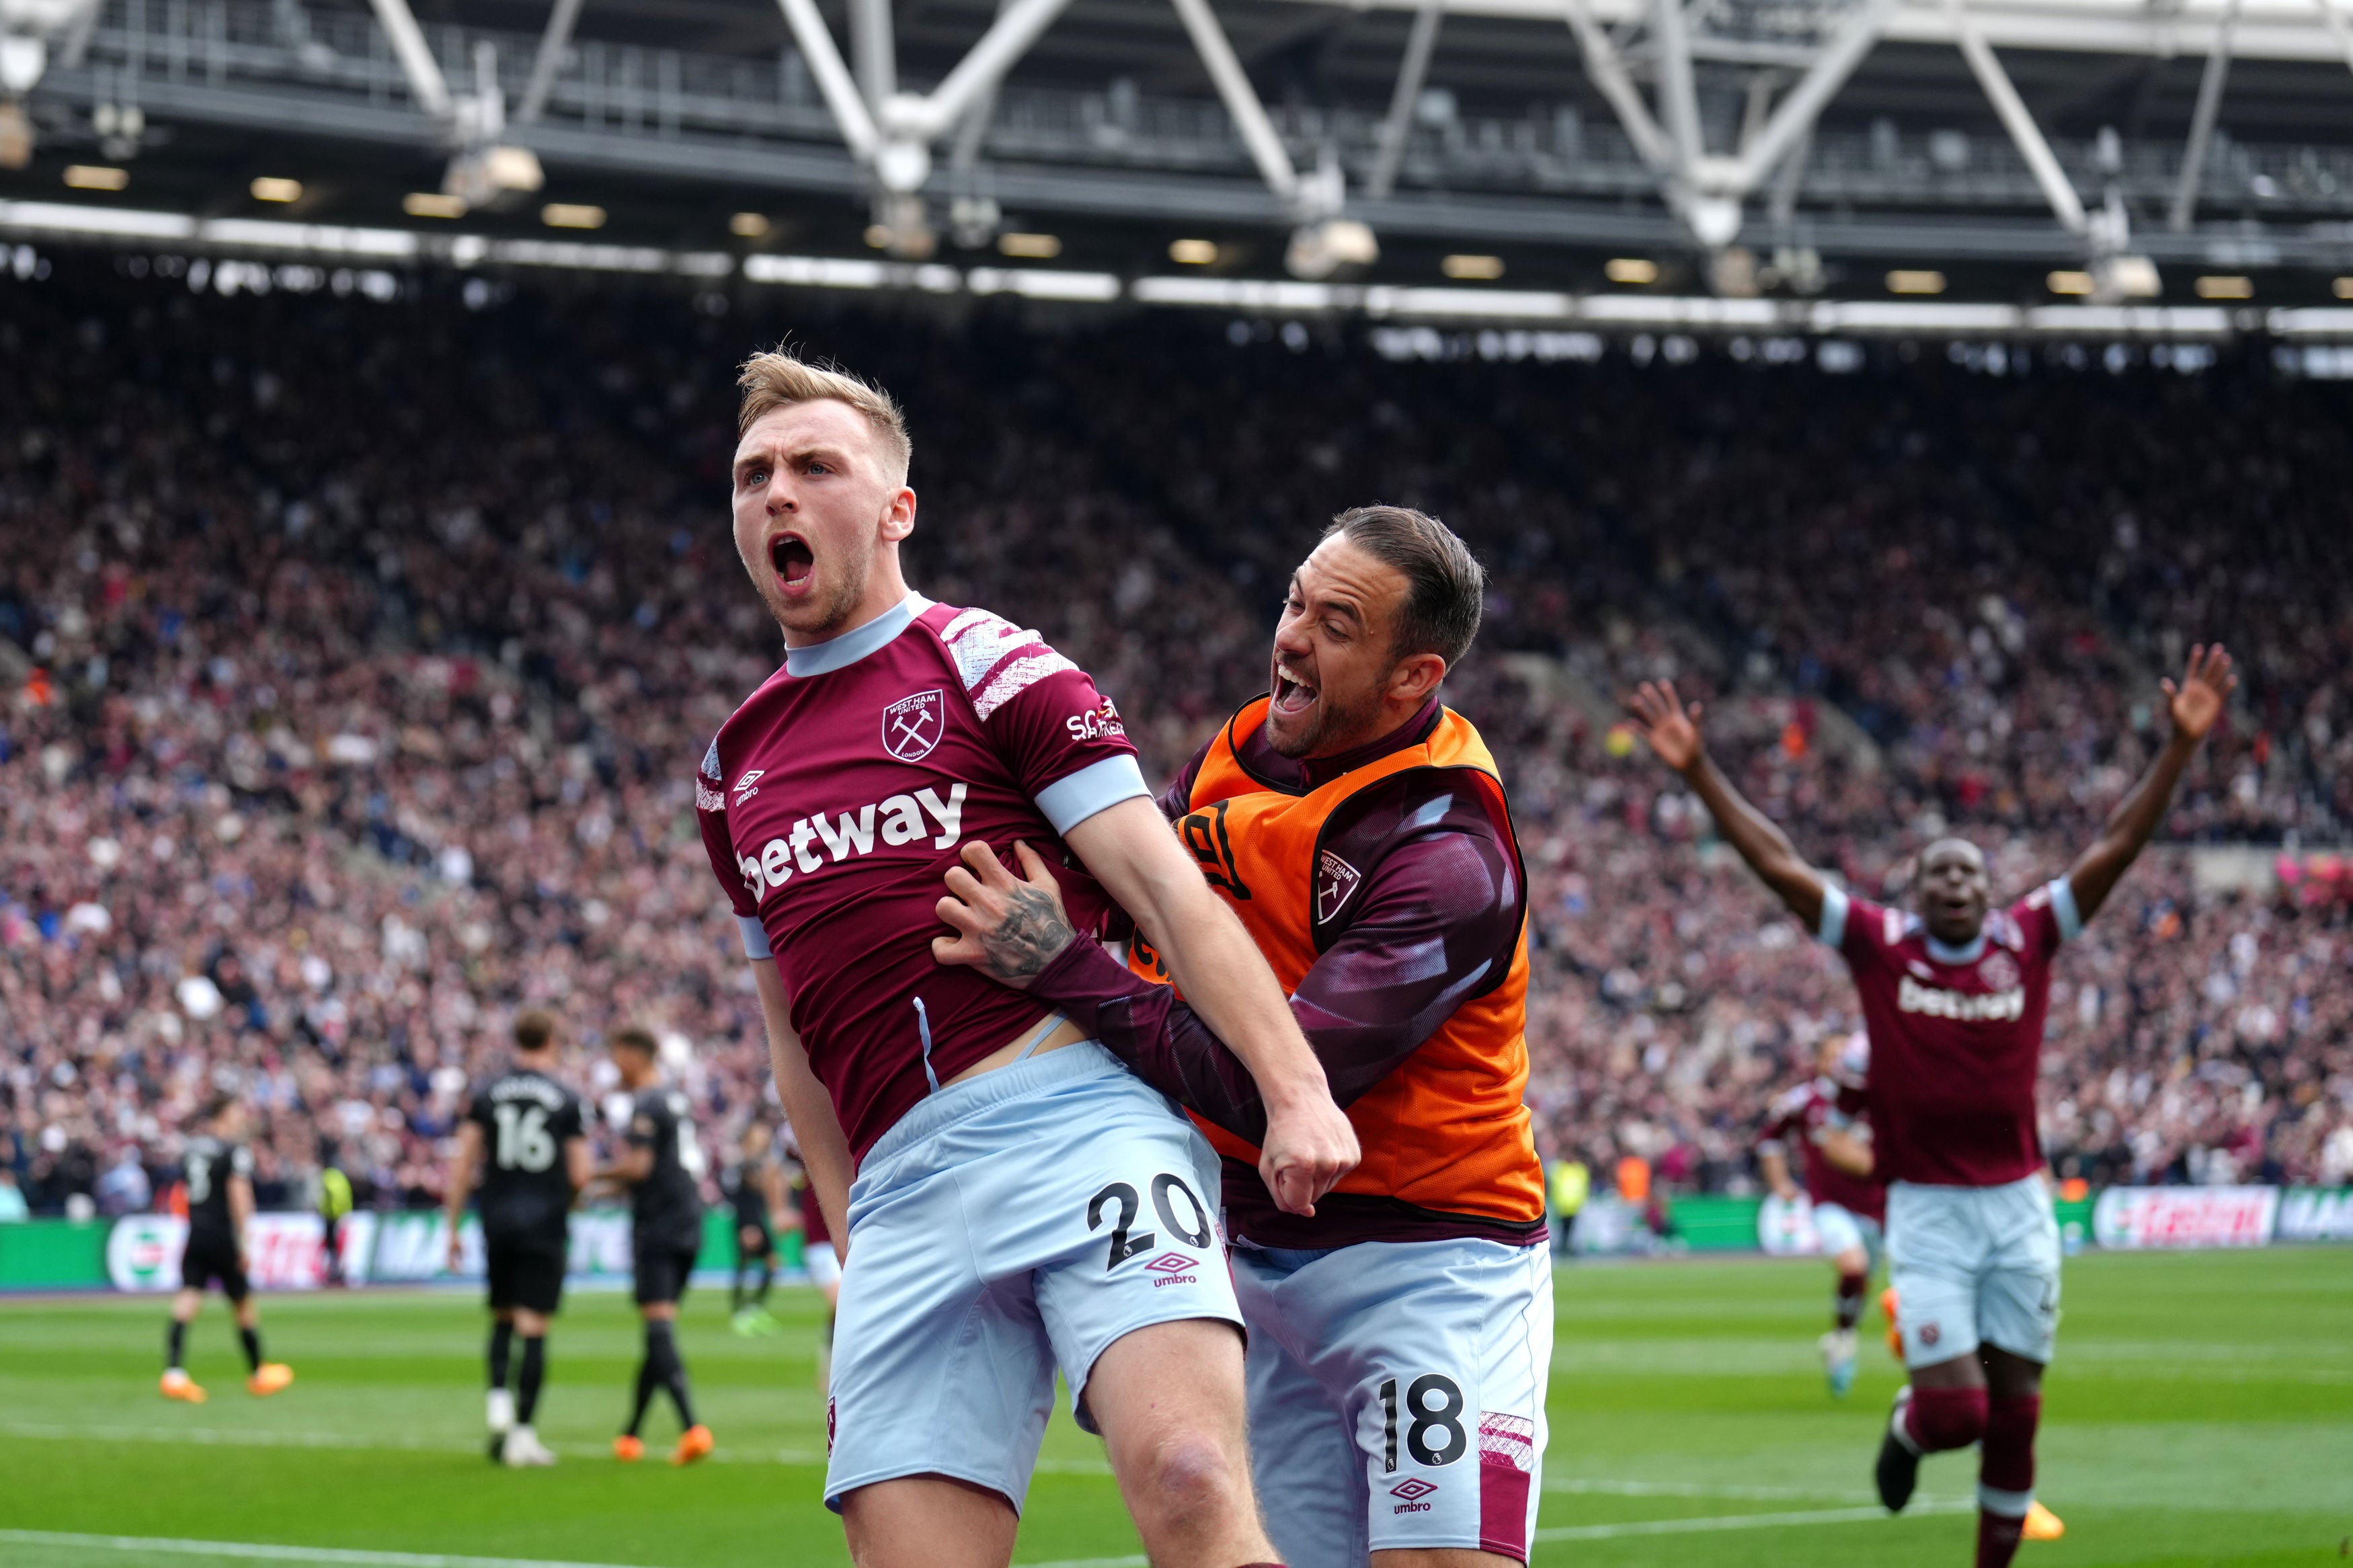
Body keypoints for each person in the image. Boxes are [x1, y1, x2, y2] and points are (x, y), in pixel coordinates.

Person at [695, 349, 1357, 1568]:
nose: (776, 494)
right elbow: (791, 1031)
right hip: (900, 1190)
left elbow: (1167, 885)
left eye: (814, 467)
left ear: (896, 508)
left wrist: (1296, 1088)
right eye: (753, 476)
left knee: (1194, 1477)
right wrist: (856, 1235)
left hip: (1075, 1123)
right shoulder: (731, 767)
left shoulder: (993, 664)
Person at [935, 507, 1552, 1567]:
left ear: (1415, 677)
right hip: (1252, 1263)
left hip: (1428, 1266)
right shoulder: (1247, 742)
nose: (1292, 636)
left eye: (1338, 624)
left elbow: (1274, 1085)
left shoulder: (1449, 853)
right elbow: (1146, 904)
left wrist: (1062, 963)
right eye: (1295, 600)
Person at [1626, 643, 2236, 1568]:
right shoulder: (1882, 946)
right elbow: (1783, 866)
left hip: (2019, 1204)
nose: (1956, 883)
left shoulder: (2027, 938)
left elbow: (2114, 846)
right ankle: (1911, 1427)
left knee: (2020, 1403)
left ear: (1990, 892)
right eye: (1938, 874)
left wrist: (2179, 750)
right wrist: (1701, 770)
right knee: (1960, 1409)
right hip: (1929, 1211)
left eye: (1970, 873)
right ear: (1914, 893)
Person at [444, 1009, 592, 1466]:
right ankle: (524, 1433)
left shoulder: (487, 1093)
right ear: (551, 1039)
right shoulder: (566, 1097)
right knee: (534, 1327)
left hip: (498, 1217)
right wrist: (566, 1201)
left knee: (502, 1315)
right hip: (544, 1220)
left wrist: (451, 1226)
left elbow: (463, 1161)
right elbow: (581, 1172)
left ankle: (497, 1401)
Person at [598, 1027, 713, 1466]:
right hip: (688, 1216)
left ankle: (692, 1428)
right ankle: (630, 1434)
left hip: (659, 1222)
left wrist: (588, 1176)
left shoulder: (645, 1103)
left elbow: (638, 1166)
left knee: (658, 1326)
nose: (614, 1065)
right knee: (658, 1328)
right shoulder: (673, 1098)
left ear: (632, 1054)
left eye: (616, 1055)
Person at [1757, 1031, 1884, 1396]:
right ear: (1819, 1061)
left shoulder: (1875, 1096)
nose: (1838, 1063)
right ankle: (1846, 1342)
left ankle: (1842, 1337)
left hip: (1878, 1207)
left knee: (1862, 1283)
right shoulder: (1804, 1100)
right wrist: (1780, 1181)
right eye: (1831, 1056)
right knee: (1853, 1267)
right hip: (1830, 1204)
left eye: (1844, 1055)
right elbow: (1769, 1138)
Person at [160, 1095, 294, 1403]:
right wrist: (245, 1241)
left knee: (187, 1300)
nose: (242, 1117)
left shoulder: (192, 1149)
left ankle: (174, 1374)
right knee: (243, 1305)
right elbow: (239, 1195)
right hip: (223, 1235)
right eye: (237, 1111)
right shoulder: (234, 1151)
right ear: (222, 1115)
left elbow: (185, 1191)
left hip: (196, 1232)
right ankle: (259, 1372)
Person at [779, 1137, 842, 1394]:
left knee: (844, 1310)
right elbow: (776, 1167)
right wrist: (779, 1209)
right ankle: (835, 1370)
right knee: (843, 1301)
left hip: (859, 1233)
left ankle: (831, 1363)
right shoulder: (811, 1128)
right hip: (821, 1241)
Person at [722, 1120, 787, 1334]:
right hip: (749, 1222)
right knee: (746, 1264)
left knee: (770, 1264)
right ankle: (741, 1312)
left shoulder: (758, 1161)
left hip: (758, 1219)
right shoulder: (746, 1164)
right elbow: (744, 1198)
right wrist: (747, 1226)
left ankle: (752, 1309)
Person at [317, 1155, 352, 1287]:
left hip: (331, 1216)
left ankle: (334, 1272)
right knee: (339, 1246)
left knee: (331, 1246)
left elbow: (329, 1195)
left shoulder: (327, 1177)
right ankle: (339, 1272)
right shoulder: (340, 1176)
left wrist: (327, 1211)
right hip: (342, 1215)